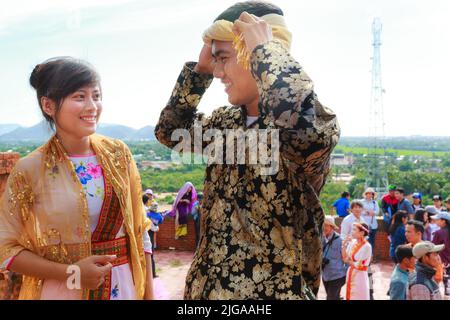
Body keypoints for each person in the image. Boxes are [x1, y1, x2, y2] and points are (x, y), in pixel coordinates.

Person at [155, 1, 340, 299]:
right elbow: (170, 131)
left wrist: (266, 50)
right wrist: (199, 72)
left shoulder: (313, 122)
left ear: (257, 54)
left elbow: (303, 130)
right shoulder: (224, 123)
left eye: (223, 58)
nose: (217, 72)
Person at [0, 57, 153, 300]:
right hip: (63, 290)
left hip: (122, 286)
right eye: (80, 97)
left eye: (96, 95)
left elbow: (139, 229)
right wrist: (72, 273)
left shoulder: (119, 154)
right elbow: (6, 249)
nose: (92, 105)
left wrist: (148, 296)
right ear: (48, 105)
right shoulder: (30, 169)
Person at [342, 222, 372, 300]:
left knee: (358, 296)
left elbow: (360, 265)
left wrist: (350, 261)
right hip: (351, 272)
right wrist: (344, 244)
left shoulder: (367, 246)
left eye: (354, 230)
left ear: (362, 233)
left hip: (360, 275)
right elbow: (345, 258)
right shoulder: (353, 242)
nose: (352, 232)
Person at [321, 217, 347, 300]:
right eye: (323, 226)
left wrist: (346, 274)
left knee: (330, 298)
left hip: (337, 276)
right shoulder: (321, 239)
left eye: (326, 225)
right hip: (325, 275)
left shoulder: (340, 240)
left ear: (332, 227)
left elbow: (346, 258)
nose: (324, 228)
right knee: (334, 297)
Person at [431, 212, 450, 296]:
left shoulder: (439, 233)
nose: (436, 221)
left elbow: (433, 247)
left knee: (436, 281)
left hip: (441, 260)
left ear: (443, 221)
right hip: (448, 261)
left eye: (438, 219)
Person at [146, 201, 165, 278]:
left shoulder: (147, 214)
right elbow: (160, 221)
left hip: (147, 235)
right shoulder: (159, 216)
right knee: (151, 256)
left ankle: (148, 274)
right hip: (152, 236)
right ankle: (153, 274)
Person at [360, 188, 379, 256]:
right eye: (368, 193)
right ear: (365, 194)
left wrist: (371, 212)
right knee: (363, 240)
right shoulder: (361, 202)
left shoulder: (374, 202)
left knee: (372, 241)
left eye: (371, 193)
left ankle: (371, 256)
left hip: (373, 224)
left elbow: (377, 212)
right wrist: (367, 212)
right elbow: (360, 211)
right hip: (363, 224)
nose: (369, 195)